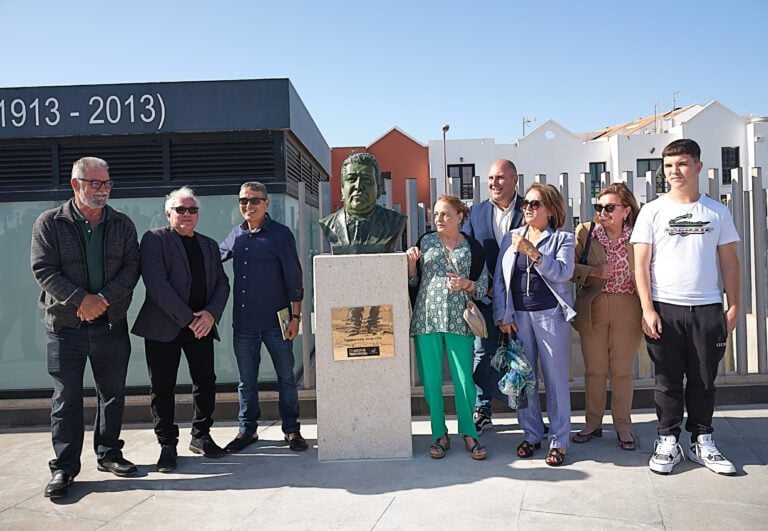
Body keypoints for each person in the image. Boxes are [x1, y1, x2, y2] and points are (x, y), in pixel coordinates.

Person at [30, 157, 140, 499]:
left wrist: (102, 299)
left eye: (107, 183)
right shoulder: (49, 223)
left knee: (113, 395)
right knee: (66, 399)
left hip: (110, 324)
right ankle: (64, 467)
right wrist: (81, 300)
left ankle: (108, 454)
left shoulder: (121, 224)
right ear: (75, 184)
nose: (103, 190)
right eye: (96, 183)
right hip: (65, 327)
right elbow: (43, 268)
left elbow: (132, 267)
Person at [631, 139, 740, 475]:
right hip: (665, 308)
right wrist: (648, 309)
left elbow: (730, 264)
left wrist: (734, 306)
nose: (674, 172)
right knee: (666, 380)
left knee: (704, 379)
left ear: (697, 167)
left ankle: (702, 440)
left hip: (707, 308)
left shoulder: (717, 212)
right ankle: (667, 440)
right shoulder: (652, 211)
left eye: (681, 164)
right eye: (667, 166)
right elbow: (641, 264)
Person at [132, 187, 231, 472]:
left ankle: (201, 436)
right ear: (168, 213)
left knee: (206, 382)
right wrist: (189, 318)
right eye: (180, 209)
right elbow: (156, 284)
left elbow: (222, 284)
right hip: (164, 328)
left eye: (192, 210)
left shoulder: (210, 245)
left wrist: (211, 315)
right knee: (162, 388)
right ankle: (167, 445)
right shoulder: (154, 240)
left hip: (201, 328)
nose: (186, 214)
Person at [220, 181, 308, 453]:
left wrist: (296, 317)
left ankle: (292, 430)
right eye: (243, 201)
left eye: (254, 200)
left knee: (286, 378)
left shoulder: (280, 235)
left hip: (277, 323)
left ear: (266, 203)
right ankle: (247, 430)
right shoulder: (237, 234)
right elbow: (213, 258)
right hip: (244, 324)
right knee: (247, 381)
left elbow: (294, 278)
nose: (248, 205)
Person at [494, 183, 575, 466]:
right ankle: (531, 434)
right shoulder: (511, 237)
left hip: (550, 316)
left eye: (535, 203)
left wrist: (533, 252)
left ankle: (559, 440)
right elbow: (499, 280)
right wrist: (503, 315)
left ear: (550, 209)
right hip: (519, 317)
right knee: (523, 378)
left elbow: (564, 274)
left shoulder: (562, 239)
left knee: (555, 379)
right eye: (526, 203)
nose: (527, 208)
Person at [406, 195, 489, 460]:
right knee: (431, 382)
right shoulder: (426, 242)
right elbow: (413, 281)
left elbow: (484, 285)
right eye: (436, 214)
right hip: (427, 319)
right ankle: (439, 434)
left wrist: (466, 284)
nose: (439, 219)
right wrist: (410, 264)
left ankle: (469, 433)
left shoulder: (472, 248)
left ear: (460, 216)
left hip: (459, 322)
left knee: (464, 380)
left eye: (445, 214)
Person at [571, 183, 642, 451]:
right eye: (599, 207)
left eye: (610, 208)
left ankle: (623, 427)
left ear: (626, 210)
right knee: (595, 370)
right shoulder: (587, 233)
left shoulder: (638, 236)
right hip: (594, 306)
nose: (603, 212)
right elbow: (569, 268)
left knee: (622, 372)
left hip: (628, 306)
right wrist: (593, 272)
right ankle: (592, 423)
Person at [463, 159, 523, 433]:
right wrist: (482, 285)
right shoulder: (476, 213)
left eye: (500, 178)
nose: (494, 183)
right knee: (482, 354)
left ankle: (527, 413)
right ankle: (482, 407)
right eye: (490, 178)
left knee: (524, 355)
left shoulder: (530, 209)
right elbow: (468, 254)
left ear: (514, 179)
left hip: (522, 300)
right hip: (485, 298)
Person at [319, 152, 407, 255]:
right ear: (342, 189)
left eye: (367, 179)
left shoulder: (395, 222)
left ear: (378, 190)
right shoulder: (328, 224)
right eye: (351, 179)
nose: (358, 186)